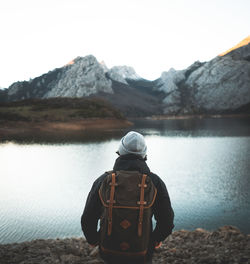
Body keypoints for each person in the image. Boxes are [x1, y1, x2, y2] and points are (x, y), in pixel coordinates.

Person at [81, 131, 174, 264]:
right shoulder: (155, 182)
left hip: (109, 251)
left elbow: (88, 218)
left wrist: (93, 240)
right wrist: (155, 240)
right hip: (142, 252)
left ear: (120, 151)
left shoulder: (103, 181)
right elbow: (167, 220)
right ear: (144, 154)